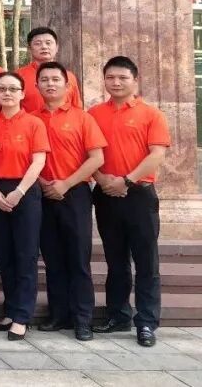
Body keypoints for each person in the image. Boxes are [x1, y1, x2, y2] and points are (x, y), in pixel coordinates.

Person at [89, 56, 170, 348]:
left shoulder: (151, 114)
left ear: (135, 80)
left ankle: (146, 321)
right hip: (105, 194)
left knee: (146, 261)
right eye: (110, 77)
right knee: (116, 260)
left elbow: (157, 154)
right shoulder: (94, 114)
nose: (116, 82)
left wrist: (126, 180)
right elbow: (87, 154)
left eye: (122, 77)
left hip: (138, 195)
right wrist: (102, 180)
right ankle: (118, 315)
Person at [35, 61, 106, 341]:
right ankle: (58, 314)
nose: (50, 84)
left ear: (67, 85)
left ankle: (82, 318)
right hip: (42, 193)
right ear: (37, 85)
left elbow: (96, 158)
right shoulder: (32, 119)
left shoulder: (82, 118)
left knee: (78, 258)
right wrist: (44, 184)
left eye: (55, 79)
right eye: (44, 80)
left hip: (75, 193)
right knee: (52, 258)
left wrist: (66, 183)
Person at [0, 71, 48, 341]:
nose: (7, 93)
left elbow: (38, 161)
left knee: (25, 255)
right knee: (5, 255)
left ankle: (23, 315)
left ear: (23, 93)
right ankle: (10, 310)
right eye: (2, 89)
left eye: (13, 89)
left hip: (25, 190)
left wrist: (19, 191)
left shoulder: (34, 123)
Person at [18, 28, 83, 113]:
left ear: (57, 48)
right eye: (38, 44)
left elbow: (77, 107)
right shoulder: (18, 76)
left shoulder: (69, 76)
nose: (44, 47)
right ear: (29, 49)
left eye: (48, 43)